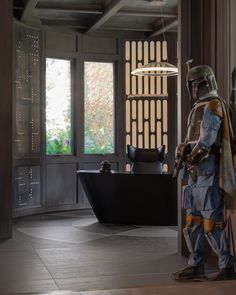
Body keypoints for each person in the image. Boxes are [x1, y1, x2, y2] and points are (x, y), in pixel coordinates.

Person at [172, 65, 236, 281]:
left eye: (194, 84)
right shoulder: (198, 107)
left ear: (201, 84)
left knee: (211, 222)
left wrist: (192, 156)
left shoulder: (214, 105)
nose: (191, 88)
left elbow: (207, 139)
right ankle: (195, 264)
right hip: (193, 172)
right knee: (192, 221)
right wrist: (182, 151)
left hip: (208, 170)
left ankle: (227, 266)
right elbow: (192, 137)